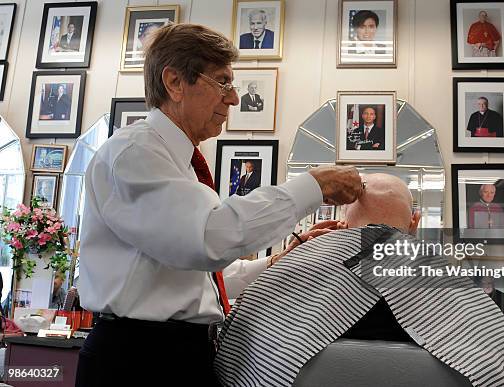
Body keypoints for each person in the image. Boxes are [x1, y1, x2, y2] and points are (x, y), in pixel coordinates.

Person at [75, 23, 363, 386]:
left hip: (174, 354)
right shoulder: (135, 153)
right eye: (222, 82)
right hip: (140, 362)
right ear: (175, 83)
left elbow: (201, 283)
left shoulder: (178, 162)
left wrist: (278, 260)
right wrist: (312, 187)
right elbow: (208, 239)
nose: (234, 98)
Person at [215, 173, 504, 387]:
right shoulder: (445, 275)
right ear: (414, 223)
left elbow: (237, 352)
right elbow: (500, 364)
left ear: (343, 221)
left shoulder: (297, 265)